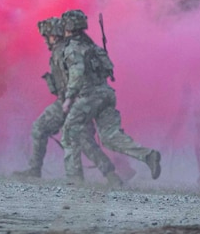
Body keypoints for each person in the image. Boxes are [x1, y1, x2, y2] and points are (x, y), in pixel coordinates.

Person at [13, 16, 122, 186]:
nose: (45, 40)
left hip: (71, 102)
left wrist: (69, 100)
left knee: (40, 128)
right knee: (85, 141)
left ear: (54, 36)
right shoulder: (74, 47)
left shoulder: (62, 51)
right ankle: (111, 176)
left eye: (47, 36)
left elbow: (73, 78)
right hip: (80, 101)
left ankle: (35, 170)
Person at [58, 9, 162, 182]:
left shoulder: (73, 48)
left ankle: (74, 180)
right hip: (106, 94)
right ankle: (147, 155)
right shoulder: (92, 46)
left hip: (88, 96)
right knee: (110, 137)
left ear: (68, 26)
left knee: (69, 133)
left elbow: (76, 72)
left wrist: (69, 98)